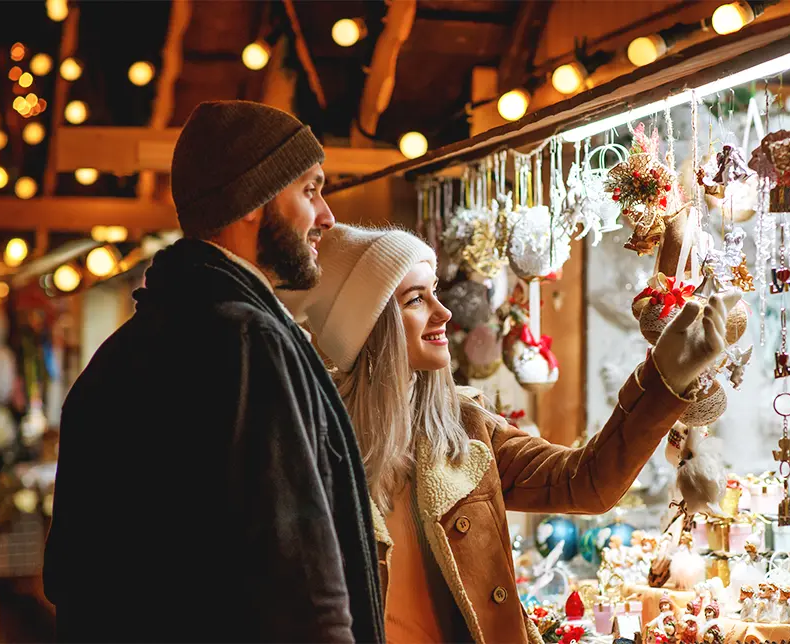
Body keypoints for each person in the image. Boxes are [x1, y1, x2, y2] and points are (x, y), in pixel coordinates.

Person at [285, 224, 737, 643]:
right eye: (416, 300)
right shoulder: (312, 446)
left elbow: (585, 482)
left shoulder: (464, 427)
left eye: (436, 292)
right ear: (367, 324)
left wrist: (664, 378)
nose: (443, 312)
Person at [43, 102, 384, 643]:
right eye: (310, 190)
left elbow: (73, 576)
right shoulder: (250, 339)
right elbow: (299, 574)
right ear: (253, 200)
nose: (327, 216)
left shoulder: (117, 355)